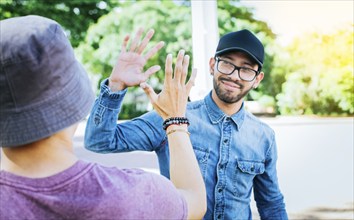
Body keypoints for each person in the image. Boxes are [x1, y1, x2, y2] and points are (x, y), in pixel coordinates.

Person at [0, 15, 206, 220]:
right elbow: (195, 200)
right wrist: (175, 119)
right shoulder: (130, 194)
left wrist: (114, 87)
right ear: (73, 99)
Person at [85, 28, 288, 219]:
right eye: (227, 63)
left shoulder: (264, 136)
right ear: (212, 65)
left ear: (257, 78)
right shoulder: (172, 114)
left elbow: (271, 203)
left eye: (246, 70)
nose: (234, 75)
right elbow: (99, 140)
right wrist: (115, 85)